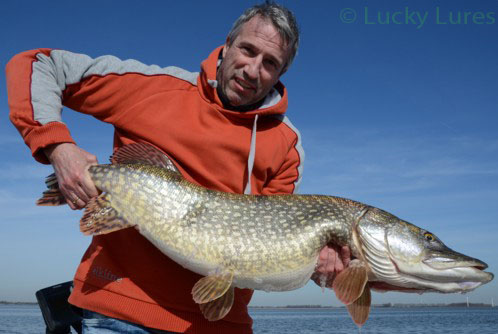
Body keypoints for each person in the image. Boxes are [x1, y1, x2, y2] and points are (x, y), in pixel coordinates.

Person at [6, 2, 350, 333]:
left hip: (220, 326)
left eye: (270, 62)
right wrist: (58, 147)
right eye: (247, 50)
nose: (252, 69)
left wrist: (317, 267)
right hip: (117, 315)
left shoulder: (287, 144)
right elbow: (37, 64)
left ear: (280, 73)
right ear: (227, 45)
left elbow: (272, 248)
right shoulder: (152, 88)